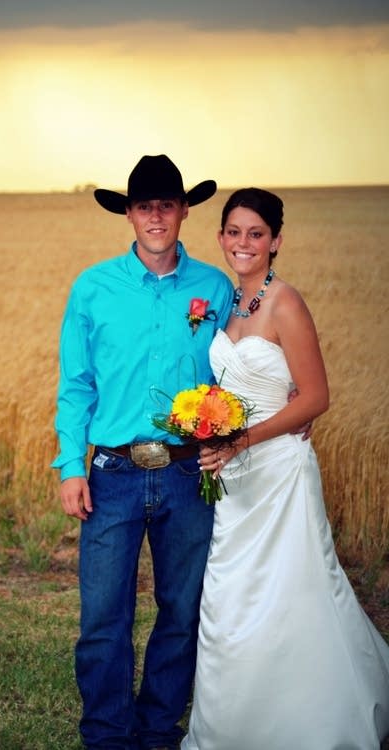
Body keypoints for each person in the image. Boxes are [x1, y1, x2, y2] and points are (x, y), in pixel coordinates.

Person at [181, 187, 389, 750]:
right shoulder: (225, 302)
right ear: (220, 237)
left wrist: (244, 439)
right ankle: (233, 727)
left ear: (275, 241)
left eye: (256, 234)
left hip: (278, 472)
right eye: (233, 232)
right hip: (235, 478)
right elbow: (234, 382)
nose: (243, 243)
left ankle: (311, 721)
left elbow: (316, 396)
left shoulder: (286, 303)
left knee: (292, 592)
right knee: (229, 596)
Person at [51, 154, 235, 750]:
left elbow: (241, 369)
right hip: (112, 475)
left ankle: (158, 732)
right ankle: (106, 736)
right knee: (104, 619)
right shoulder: (92, 288)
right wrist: (71, 465)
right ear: (128, 214)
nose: (156, 216)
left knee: (182, 614)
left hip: (188, 474)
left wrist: (286, 408)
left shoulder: (214, 289)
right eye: (144, 206)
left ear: (184, 211)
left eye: (167, 204)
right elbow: (77, 385)